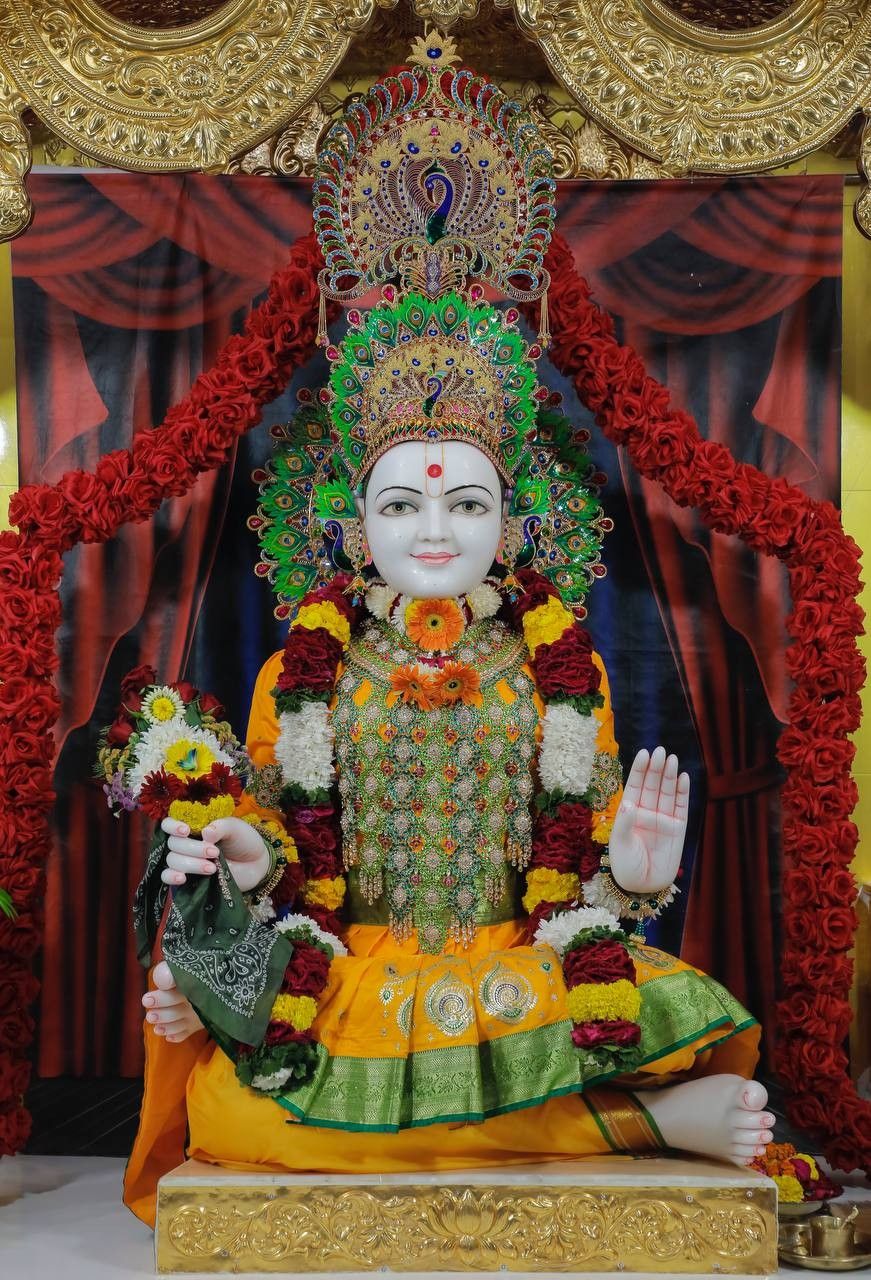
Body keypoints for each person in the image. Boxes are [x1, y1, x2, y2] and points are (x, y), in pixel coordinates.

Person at [122, 43, 771, 1228]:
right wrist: (249, 856)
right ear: (353, 525)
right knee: (234, 1116)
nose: (434, 527)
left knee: (648, 1005)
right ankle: (628, 1121)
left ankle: (615, 1103)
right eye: (402, 502)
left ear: (513, 523)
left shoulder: (556, 673)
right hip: (353, 967)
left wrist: (631, 877)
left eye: (465, 501)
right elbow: (270, 822)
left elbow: (580, 872)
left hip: (512, 960)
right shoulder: (295, 672)